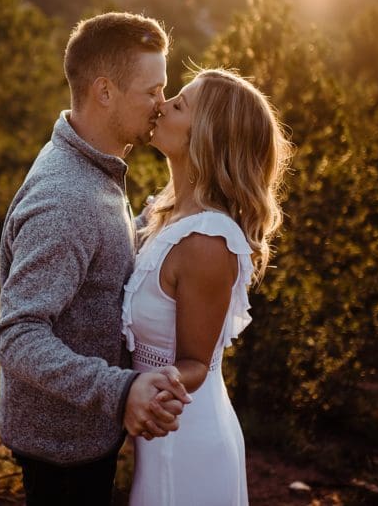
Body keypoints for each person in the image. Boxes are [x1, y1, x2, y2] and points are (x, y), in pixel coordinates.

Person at [0, 12, 192, 506]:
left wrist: (151, 227)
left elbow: (93, 261)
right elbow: (17, 335)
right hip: (63, 447)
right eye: (152, 91)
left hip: (76, 431)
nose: (161, 105)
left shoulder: (91, 163)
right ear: (105, 91)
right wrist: (120, 391)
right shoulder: (69, 199)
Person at [122, 68, 293, 505]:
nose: (161, 104)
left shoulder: (207, 241)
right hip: (158, 431)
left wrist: (130, 395)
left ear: (208, 139)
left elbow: (195, 363)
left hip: (185, 441)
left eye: (178, 104)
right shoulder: (168, 215)